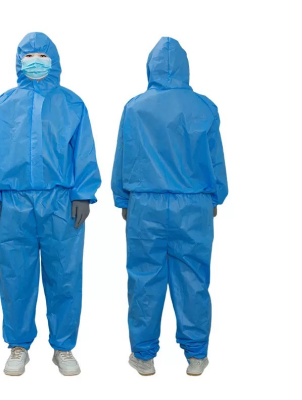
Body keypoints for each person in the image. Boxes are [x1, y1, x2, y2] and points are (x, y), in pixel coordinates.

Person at [0, 32, 101, 377]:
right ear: (19, 62)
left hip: (60, 202)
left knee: (65, 274)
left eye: (42, 56)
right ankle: (18, 346)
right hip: (14, 202)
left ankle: (63, 347)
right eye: (29, 56)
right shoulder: (2, 105)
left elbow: (84, 150)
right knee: (16, 275)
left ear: (54, 61)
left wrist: (82, 193)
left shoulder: (72, 104)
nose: (35, 62)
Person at [111, 37, 228, 376]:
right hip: (193, 205)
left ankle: (144, 356)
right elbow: (215, 158)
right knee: (193, 279)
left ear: (151, 67)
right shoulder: (204, 107)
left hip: (145, 204)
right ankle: (196, 355)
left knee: (144, 279)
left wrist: (122, 198)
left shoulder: (135, 107)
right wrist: (215, 196)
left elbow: (124, 155)